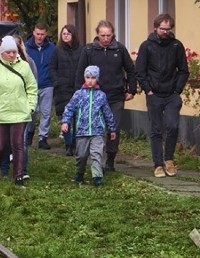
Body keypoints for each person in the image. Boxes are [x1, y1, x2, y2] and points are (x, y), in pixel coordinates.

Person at [75, 20, 136, 172]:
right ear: (97, 34)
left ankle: (110, 159)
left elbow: (131, 70)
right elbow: (80, 72)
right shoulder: (89, 50)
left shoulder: (120, 49)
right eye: (102, 35)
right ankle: (95, 158)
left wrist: (131, 89)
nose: (105, 38)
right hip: (93, 96)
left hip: (115, 95)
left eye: (108, 35)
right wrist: (79, 94)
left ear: (113, 34)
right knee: (96, 128)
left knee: (113, 128)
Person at [134, 13, 189, 178]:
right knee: (156, 130)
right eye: (162, 29)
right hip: (154, 94)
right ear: (156, 28)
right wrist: (148, 90)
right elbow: (140, 71)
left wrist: (177, 90)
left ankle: (169, 159)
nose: (165, 32)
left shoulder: (176, 46)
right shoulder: (147, 46)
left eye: (168, 29)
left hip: (171, 94)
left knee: (173, 126)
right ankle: (158, 164)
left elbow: (184, 70)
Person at [0, 36, 38, 186]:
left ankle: (18, 176)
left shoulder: (24, 66)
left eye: (14, 52)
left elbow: (32, 87)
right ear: (2, 52)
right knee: (0, 145)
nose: (12, 55)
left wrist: (30, 106)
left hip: (20, 112)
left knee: (18, 144)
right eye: (9, 52)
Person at [61, 65, 117, 187]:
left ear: (97, 79)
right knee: (81, 156)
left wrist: (112, 128)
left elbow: (107, 113)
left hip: (98, 131)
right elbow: (69, 108)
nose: (90, 80)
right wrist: (66, 122)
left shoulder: (101, 95)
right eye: (88, 77)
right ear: (84, 78)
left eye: (93, 77)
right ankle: (79, 173)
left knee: (97, 154)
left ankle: (97, 177)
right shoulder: (78, 94)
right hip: (82, 131)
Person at [50, 24, 82, 156]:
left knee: (77, 118)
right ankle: (68, 144)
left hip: (77, 88)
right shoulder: (57, 51)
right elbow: (52, 68)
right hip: (62, 89)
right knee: (65, 118)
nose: (66, 36)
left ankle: (75, 143)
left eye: (68, 34)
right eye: (63, 34)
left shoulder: (81, 50)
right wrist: (57, 82)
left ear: (73, 35)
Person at [24, 23, 56, 150]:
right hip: (30, 85)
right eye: (38, 34)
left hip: (47, 84)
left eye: (42, 34)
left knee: (46, 112)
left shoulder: (52, 48)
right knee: (31, 112)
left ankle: (43, 137)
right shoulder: (26, 48)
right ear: (33, 33)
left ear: (46, 34)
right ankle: (29, 133)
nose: (40, 37)